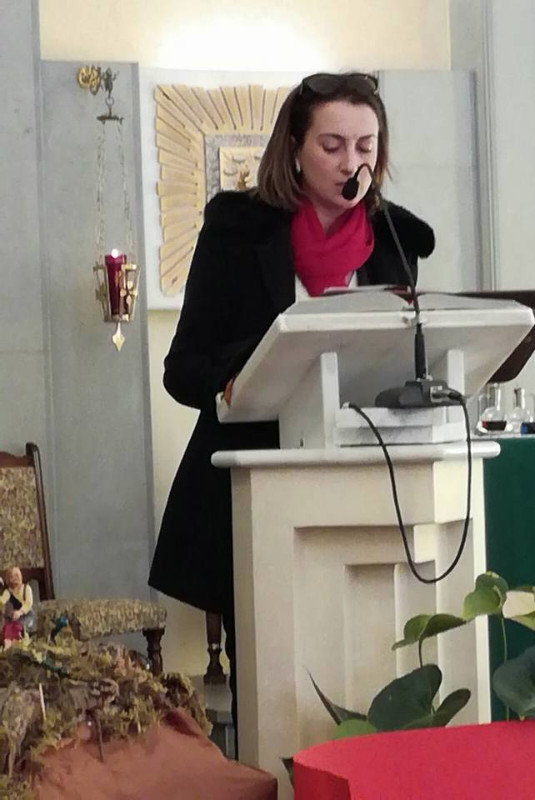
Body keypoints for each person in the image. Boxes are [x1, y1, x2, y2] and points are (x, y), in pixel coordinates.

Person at [149, 71, 435, 726]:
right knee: (275, 685)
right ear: (295, 150)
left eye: (365, 147)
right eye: (332, 145)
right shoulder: (238, 232)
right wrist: (258, 362)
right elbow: (183, 369)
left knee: (368, 668)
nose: (351, 162)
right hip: (258, 490)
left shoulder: (395, 241)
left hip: (368, 487)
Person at [1, 566, 36, 646]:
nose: (15, 578)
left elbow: (28, 603)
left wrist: (20, 612)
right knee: (8, 627)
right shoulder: (8, 591)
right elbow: (2, 600)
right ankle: (8, 643)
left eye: (17, 575)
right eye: (12, 576)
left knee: (18, 627)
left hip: (27, 615)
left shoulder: (26, 588)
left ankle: (19, 642)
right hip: (15, 617)